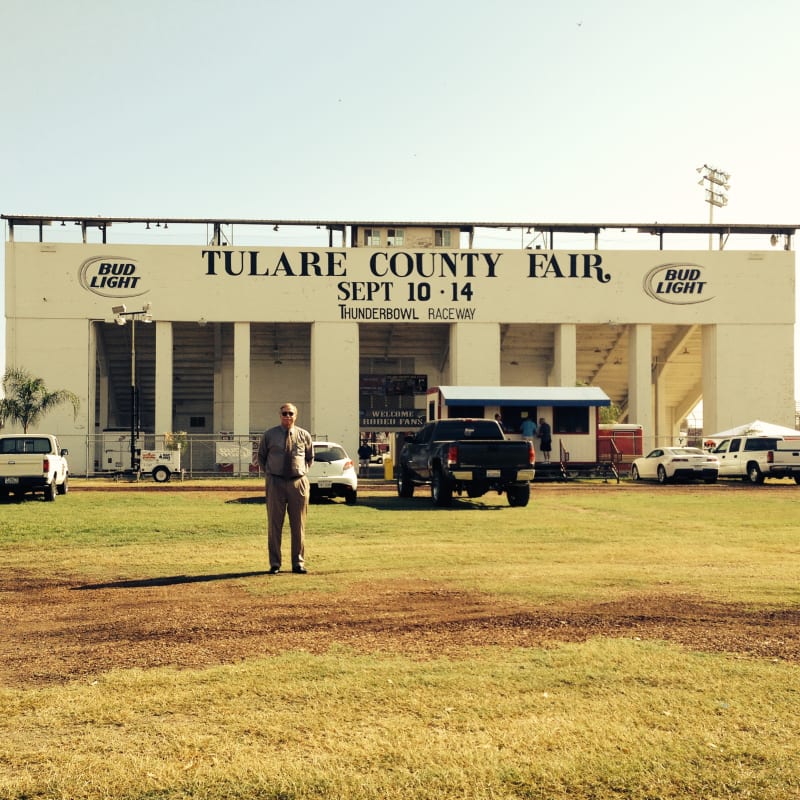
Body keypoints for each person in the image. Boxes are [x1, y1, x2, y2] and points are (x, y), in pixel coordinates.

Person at [256, 402, 314, 574]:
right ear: (279, 415)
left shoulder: (304, 435)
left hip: (298, 484)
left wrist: (301, 472)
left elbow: (310, 457)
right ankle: (275, 563)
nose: (287, 416)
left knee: (299, 525)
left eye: (290, 413)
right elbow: (261, 456)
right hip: (276, 483)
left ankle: (298, 563)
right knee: (275, 524)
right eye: (284, 413)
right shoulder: (270, 435)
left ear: (296, 416)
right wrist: (271, 474)